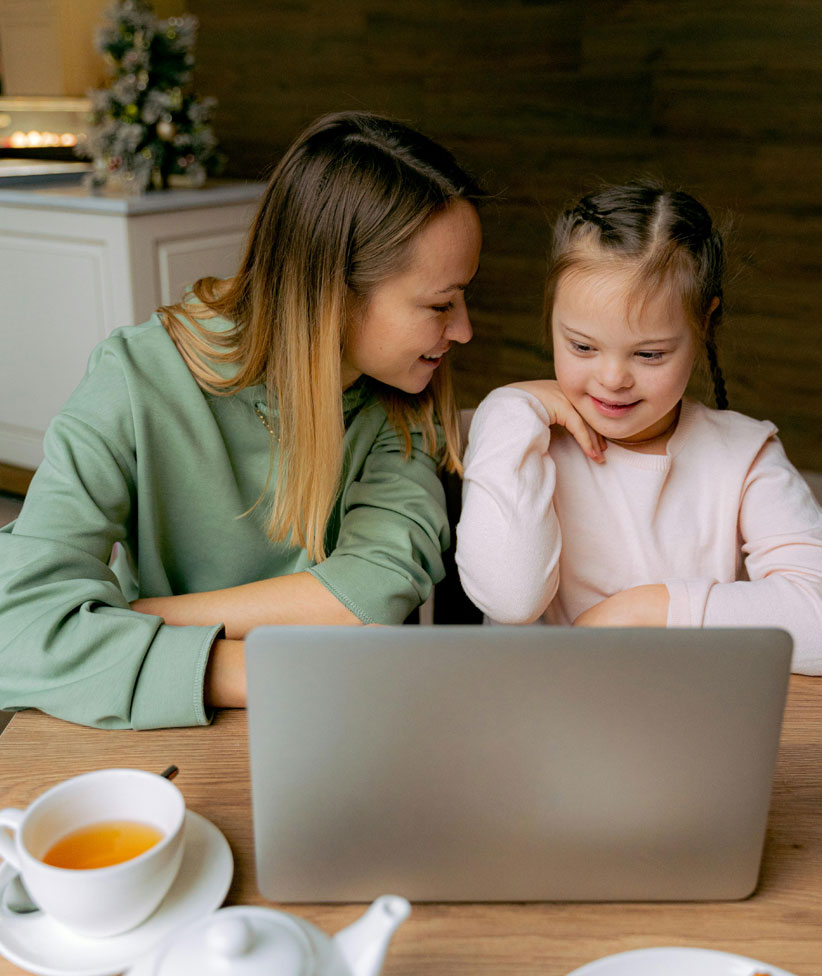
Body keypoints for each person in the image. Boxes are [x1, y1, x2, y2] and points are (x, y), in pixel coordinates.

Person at [0, 111, 483, 729]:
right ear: (332, 294)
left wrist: (134, 618)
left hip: (310, 718)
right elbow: (15, 628)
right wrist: (252, 670)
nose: (464, 330)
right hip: (176, 729)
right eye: (441, 304)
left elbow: (373, 593)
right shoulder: (136, 378)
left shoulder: (404, 399)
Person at [455, 183, 822, 675]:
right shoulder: (521, 434)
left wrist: (648, 610)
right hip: (529, 719)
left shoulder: (743, 454)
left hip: (677, 716)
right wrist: (507, 407)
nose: (612, 379)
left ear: (703, 325)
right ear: (552, 316)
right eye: (582, 346)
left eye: (649, 354)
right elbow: (510, 599)